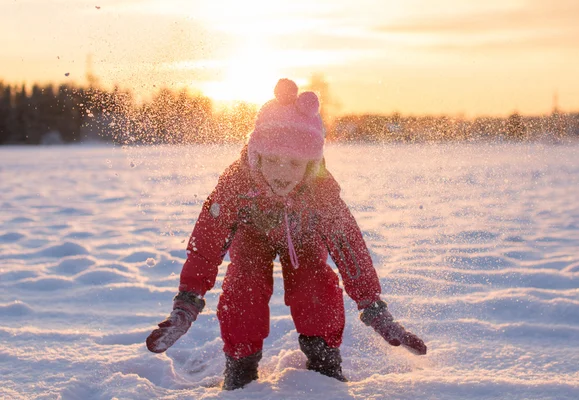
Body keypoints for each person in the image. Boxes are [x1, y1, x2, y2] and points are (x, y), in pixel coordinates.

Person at [146, 79, 427, 390]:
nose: (283, 172)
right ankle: (241, 367)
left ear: (310, 164)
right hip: (253, 238)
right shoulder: (235, 185)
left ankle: (324, 362)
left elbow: (349, 248)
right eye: (274, 160)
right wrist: (186, 303)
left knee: (314, 282)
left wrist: (374, 307)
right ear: (258, 156)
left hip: (304, 239)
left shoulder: (321, 192)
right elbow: (207, 246)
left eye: (294, 163)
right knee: (244, 285)